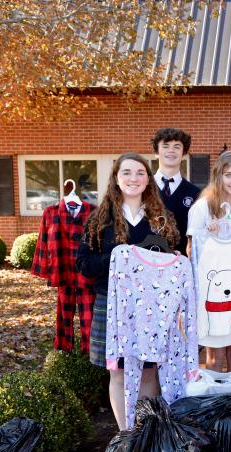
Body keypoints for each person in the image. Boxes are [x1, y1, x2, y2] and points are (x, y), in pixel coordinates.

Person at [76, 152, 180, 430]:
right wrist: (116, 256)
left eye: (140, 173)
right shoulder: (99, 221)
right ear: (116, 179)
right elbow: (83, 265)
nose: (133, 178)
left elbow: (171, 264)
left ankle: (146, 431)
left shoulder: (161, 220)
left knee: (148, 371)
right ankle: (125, 433)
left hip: (151, 308)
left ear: (148, 180)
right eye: (127, 173)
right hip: (111, 305)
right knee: (119, 372)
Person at [186, 151, 231, 372]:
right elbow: (190, 252)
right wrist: (209, 236)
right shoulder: (202, 207)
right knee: (214, 358)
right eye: (228, 175)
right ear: (218, 175)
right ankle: (215, 404)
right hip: (212, 293)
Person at [151, 127, 200, 254]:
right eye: (166, 146)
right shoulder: (143, 188)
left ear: (184, 153)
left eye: (177, 147)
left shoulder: (195, 193)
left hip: (180, 264)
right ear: (156, 153)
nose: (171, 151)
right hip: (145, 263)